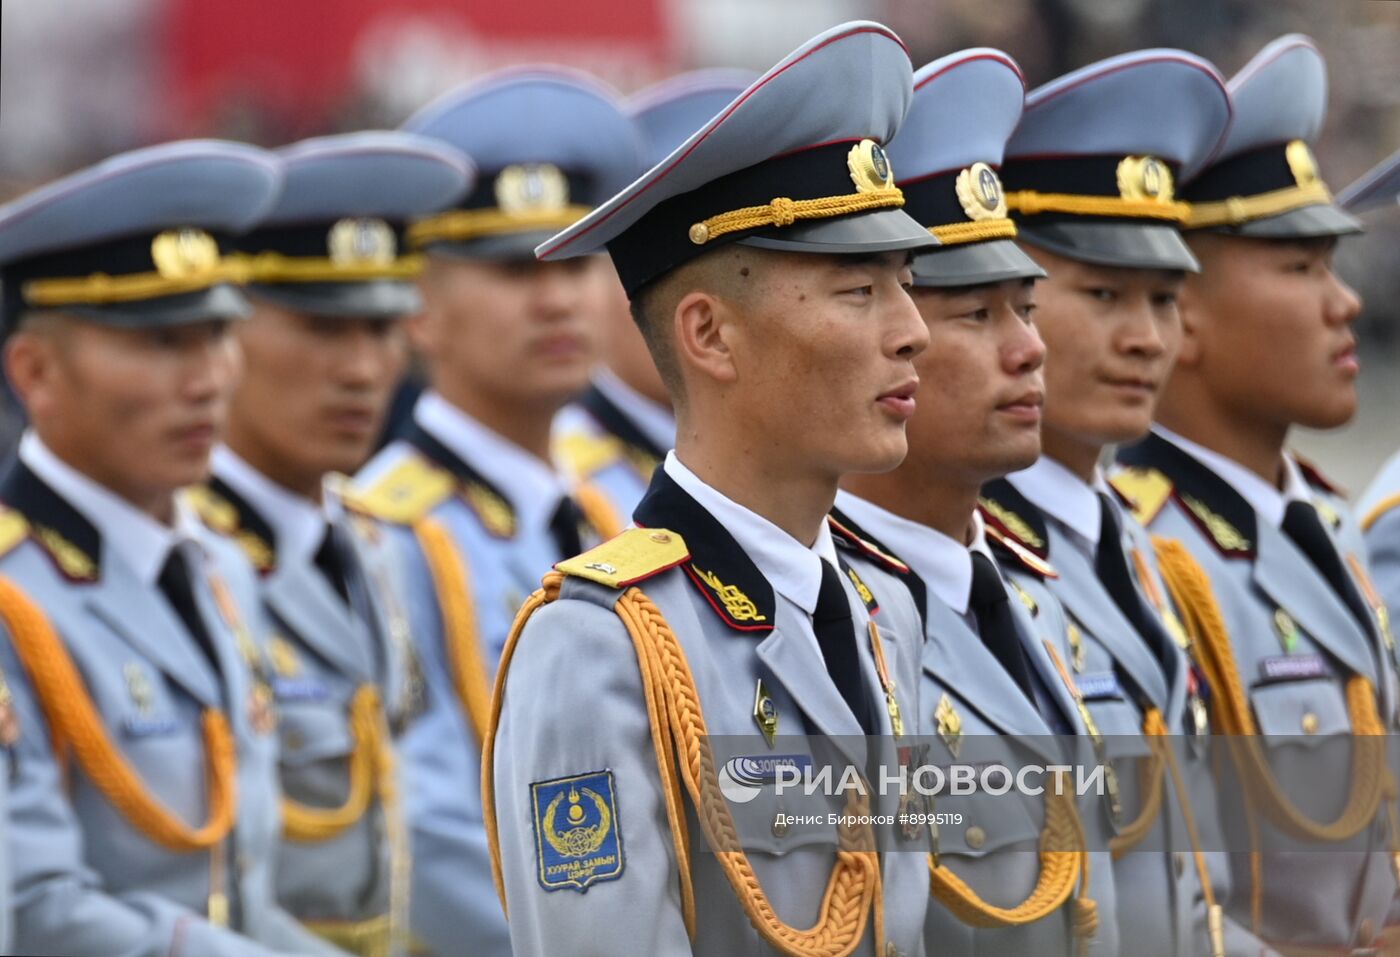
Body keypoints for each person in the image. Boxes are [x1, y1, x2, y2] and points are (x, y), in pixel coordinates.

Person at [485, 21, 939, 956]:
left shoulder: (882, 607)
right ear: (709, 334)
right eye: (859, 291)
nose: (912, 330)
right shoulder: (599, 645)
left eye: (906, 283)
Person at [0, 140, 343, 955]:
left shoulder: (220, 566)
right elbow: (35, 909)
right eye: (160, 343)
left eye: (218, 332)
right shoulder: (15, 597)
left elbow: (244, 891)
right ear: (36, 372)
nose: (208, 380)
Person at [974, 46, 1270, 957]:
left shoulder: (1139, 546)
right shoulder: (964, 561)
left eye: (1165, 299)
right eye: (1104, 293)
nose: (1146, 338)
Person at [833, 48, 1122, 957]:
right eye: (978, 314)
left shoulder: (1023, 583)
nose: (1030, 349)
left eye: (1026, 309)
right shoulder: (828, 619)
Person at [1111, 35, 1397, 954]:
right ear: (1182, 312)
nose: (1344, 302)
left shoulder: (1321, 521)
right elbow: (1152, 901)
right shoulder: (1139, 554)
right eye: (1301, 267)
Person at [353, 69, 639, 957]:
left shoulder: (621, 510)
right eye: (515, 270)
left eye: (577, 264)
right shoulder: (383, 534)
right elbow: (423, 826)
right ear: (420, 311)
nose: (557, 299)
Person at [187, 131, 473, 957]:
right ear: (225, 339)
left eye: (382, 327)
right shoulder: (183, 556)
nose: (362, 368)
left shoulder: (371, 540)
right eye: (322, 327)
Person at [552, 69, 754, 520]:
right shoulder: (564, 484)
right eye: (659, 278)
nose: (705, 316)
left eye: (743, 279)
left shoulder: (794, 471)